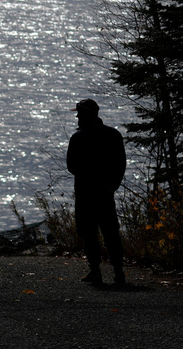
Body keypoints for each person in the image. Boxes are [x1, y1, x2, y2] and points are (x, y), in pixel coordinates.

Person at [66, 98, 127, 285]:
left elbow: (71, 166)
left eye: (79, 113)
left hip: (85, 193)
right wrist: (112, 185)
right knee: (111, 233)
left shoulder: (78, 138)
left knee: (89, 233)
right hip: (105, 192)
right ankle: (119, 272)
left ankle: (95, 271)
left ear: (85, 114)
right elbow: (120, 164)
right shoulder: (113, 135)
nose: (77, 117)